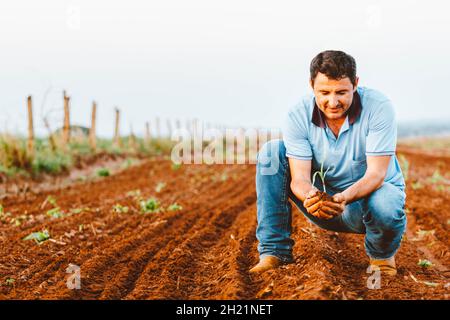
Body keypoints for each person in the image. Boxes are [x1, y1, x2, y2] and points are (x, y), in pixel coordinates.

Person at [250, 50, 406, 276]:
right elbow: (300, 179)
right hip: (324, 207)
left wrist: (344, 198)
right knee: (271, 152)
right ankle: (274, 252)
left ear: (355, 84)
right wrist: (312, 196)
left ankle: (381, 258)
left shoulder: (378, 107)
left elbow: (376, 174)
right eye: (324, 92)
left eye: (341, 92)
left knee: (387, 198)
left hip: (364, 207)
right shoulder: (298, 115)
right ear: (311, 85)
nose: (333, 102)